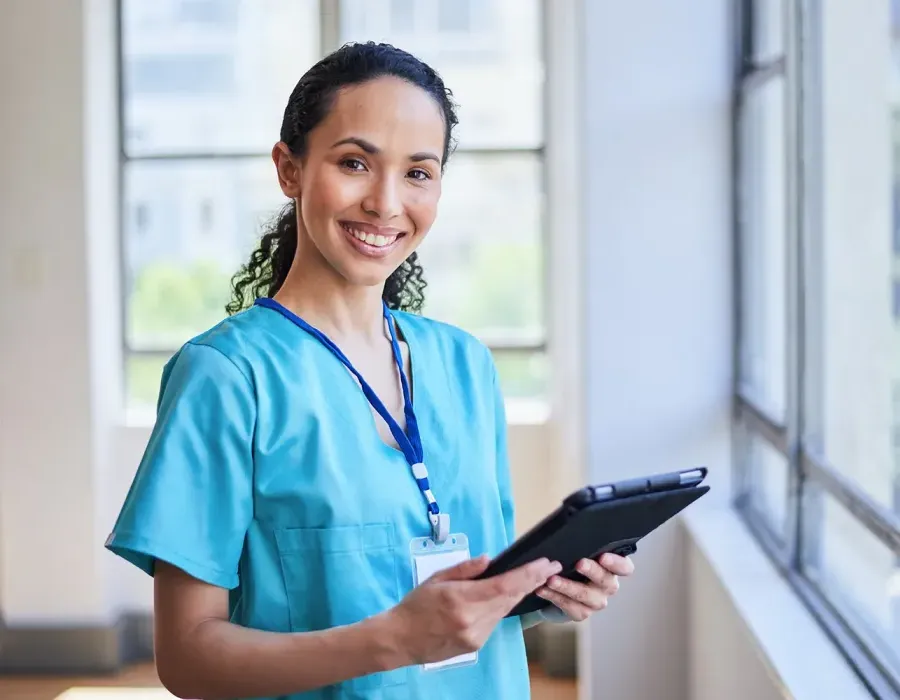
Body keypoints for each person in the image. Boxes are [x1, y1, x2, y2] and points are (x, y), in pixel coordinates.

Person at [105, 41, 634, 700]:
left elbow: (454, 596)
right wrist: (394, 639)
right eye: (355, 162)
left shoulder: (463, 364)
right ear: (289, 169)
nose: (386, 203)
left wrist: (536, 594)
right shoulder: (226, 377)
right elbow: (186, 659)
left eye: (419, 172)